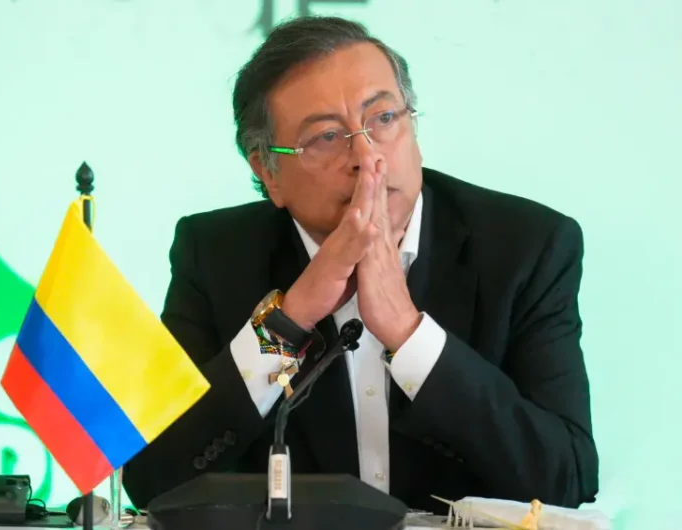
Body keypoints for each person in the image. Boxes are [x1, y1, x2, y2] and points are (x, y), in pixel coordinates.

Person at [122, 15, 599, 514]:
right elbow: (152, 480)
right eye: (327, 137)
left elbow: (567, 479)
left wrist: (410, 335)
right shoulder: (216, 255)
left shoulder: (526, 247)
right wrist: (288, 322)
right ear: (268, 170)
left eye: (384, 118)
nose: (367, 156)